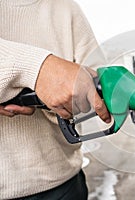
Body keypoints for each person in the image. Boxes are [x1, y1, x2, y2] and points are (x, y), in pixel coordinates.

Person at [0, 0, 110, 199]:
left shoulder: (66, 7)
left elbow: (95, 81)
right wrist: (38, 69)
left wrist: (62, 95)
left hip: (63, 185)